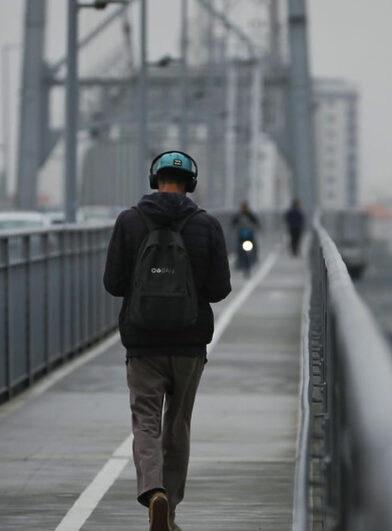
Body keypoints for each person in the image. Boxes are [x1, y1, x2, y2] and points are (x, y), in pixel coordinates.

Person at [103, 150, 231, 531]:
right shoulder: (206, 225)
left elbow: (113, 284)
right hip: (190, 344)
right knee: (178, 426)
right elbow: (220, 289)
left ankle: (153, 490)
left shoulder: (129, 221)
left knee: (146, 421)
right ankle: (170, 512)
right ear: (191, 184)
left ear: (154, 180)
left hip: (142, 342)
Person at [231, 201, 261, 276]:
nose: (244, 209)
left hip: (250, 237)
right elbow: (233, 223)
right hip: (241, 237)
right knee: (238, 248)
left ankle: (255, 258)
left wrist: (257, 227)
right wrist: (233, 228)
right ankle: (238, 261)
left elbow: (256, 222)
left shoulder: (251, 215)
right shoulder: (238, 216)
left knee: (254, 246)